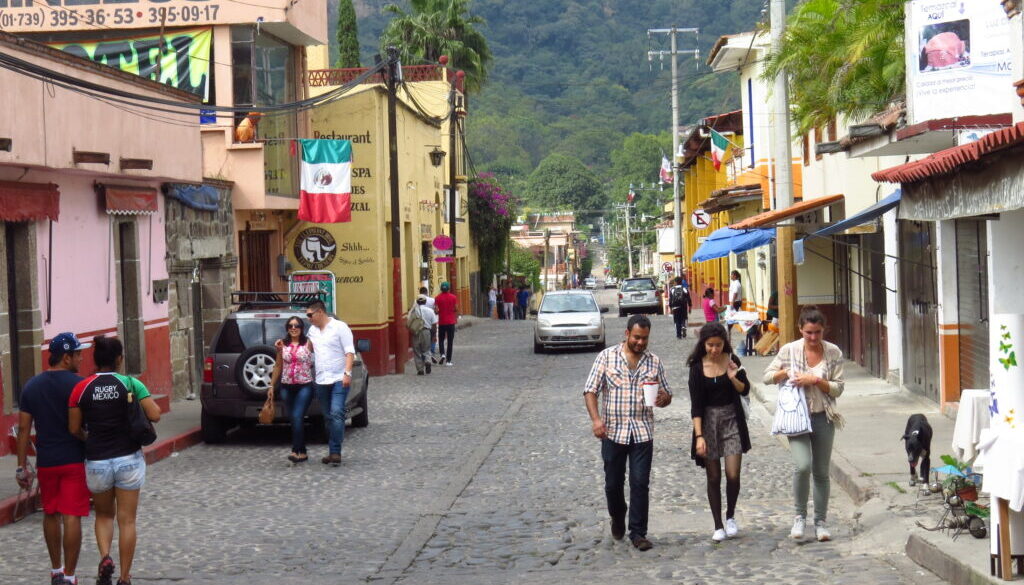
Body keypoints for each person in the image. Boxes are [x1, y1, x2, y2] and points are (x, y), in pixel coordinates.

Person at [68, 336, 161, 585]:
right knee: (127, 520)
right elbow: (155, 414)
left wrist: (89, 436)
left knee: (103, 516)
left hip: (97, 460)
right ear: (119, 359)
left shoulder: (81, 388)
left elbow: (74, 428)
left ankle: (106, 557)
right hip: (128, 458)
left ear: (96, 360)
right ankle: (124, 576)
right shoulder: (130, 384)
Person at [583, 315, 672, 551]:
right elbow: (590, 391)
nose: (641, 343)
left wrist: (663, 399)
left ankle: (638, 533)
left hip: (642, 432)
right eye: (637, 337)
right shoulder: (606, 357)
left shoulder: (654, 362)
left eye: (645, 338)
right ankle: (617, 515)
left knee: (640, 482)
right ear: (627, 334)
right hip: (612, 432)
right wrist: (596, 421)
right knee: (613, 484)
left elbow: (666, 393)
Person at [763, 306, 845, 542]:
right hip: (796, 418)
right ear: (800, 329)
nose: (813, 337)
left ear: (823, 330)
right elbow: (768, 376)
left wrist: (816, 380)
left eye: (817, 332)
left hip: (823, 416)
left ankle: (821, 522)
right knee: (802, 466)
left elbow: (838, 388)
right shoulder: (789, 350)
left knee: (821, 472)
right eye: (808, 332)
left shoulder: (833, 352)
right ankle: (799, 517)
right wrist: (785, 372)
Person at [16, 332, 90, 585]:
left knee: (50, 513)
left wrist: (20, 467)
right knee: (71, 515)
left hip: (46, 461)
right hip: (72, 459)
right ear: (67, 357)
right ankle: (69, 576)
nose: (81, 358)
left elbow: (24, 429)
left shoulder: (31, 386)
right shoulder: (80, 385)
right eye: (78, 354)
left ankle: (56, 570)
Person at [687, 323, 752, 542]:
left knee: (733, 474)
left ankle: (731, 515)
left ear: (725, 343)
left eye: (719, 345)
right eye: (710, 345)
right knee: (713, 476)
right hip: (708, 423)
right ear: (703, 344)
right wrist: (699, 437)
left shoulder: (732, 359)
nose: (715, 350)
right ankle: (718, 525)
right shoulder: (697, 367)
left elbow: (746, 389)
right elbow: (696, 406)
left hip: (732, 419)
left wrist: (733, 376)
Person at [303, 300, 356, 466]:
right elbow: (308, 350)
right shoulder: (312, 331)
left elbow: (350, 352)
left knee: (336, 413)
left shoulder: (340, 327)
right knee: (327, 417)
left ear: (320, 312)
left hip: (339, 378)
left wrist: (347, 373)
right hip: (321, 380)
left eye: (310, 315)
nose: (308, 319)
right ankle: (333, 451)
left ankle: (336, 448)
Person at [269, 316, 315, 464]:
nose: (293, 328)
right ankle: (303, 452)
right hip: (286, 386)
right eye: (290, 326)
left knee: (297, 417)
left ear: (302, 328)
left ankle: (296, 451)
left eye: (296, 326)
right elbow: (278, 365)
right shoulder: (282, 345)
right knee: (294, 419)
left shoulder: (309, 343)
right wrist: (271, 385)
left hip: (304, 385)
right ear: (287, 328)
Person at [408, 294, 437, 375]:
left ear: (417, 302)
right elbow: (434, 324)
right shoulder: (430, 311)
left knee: (417, 351)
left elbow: (409, 323)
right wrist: (434, 335)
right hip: (426, 332)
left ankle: (420, 369)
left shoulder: (414, 311)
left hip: (416, 332)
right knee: (427, 349)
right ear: (425, 301)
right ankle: (428, 361)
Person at [435, 282, 459, 366]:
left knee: (441, 339)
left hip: (442, 322)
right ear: (448, 288)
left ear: (441, 289)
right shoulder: (453, 297)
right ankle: (448, 361)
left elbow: (436, 310)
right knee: (450, 341)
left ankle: (442, 354)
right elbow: (456, 308)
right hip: (451, 322)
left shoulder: (437, 298)